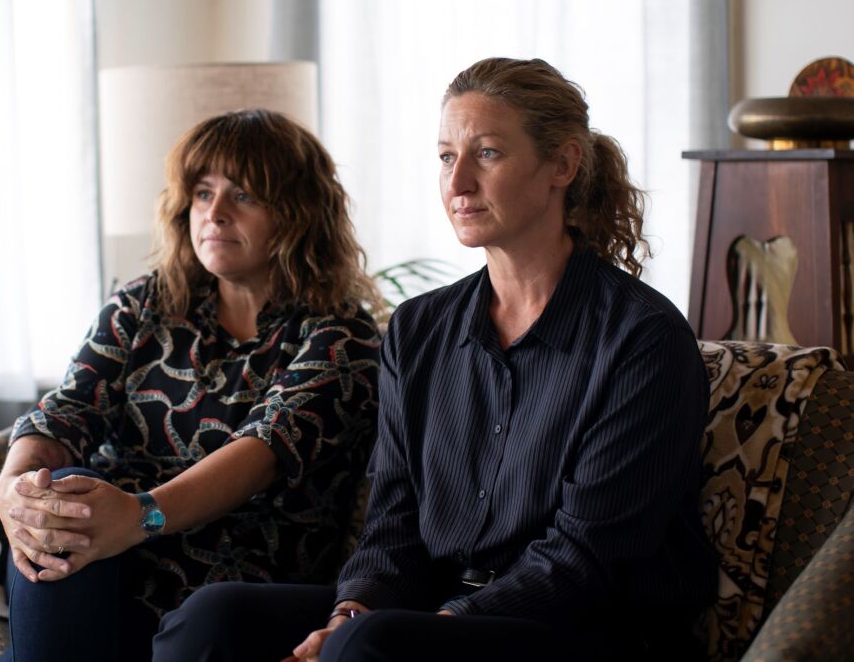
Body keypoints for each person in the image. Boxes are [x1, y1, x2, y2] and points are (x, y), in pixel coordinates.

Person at [152, 57, 717, 662]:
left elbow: (588, 557)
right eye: (447, 157)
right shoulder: (419, 329)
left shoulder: (642, 338)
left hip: (588, 625)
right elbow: (392, 524)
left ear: (563, 164)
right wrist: (350, 612)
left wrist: (437, 622)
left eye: (489, 153)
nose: (458, 183)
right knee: (214, 618)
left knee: (375, 645)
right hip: (433, 612)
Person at [0, 109, 382, 661]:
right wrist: (10, 488)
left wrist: (139, 514)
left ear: (297, 215)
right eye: (202, 193)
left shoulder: (340, 334)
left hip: (239, 580)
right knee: (63, 494)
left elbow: (265, 448)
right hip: (115, 561)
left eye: (243, 195)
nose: (215, 213)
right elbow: (68, 409)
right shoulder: (146, 302)